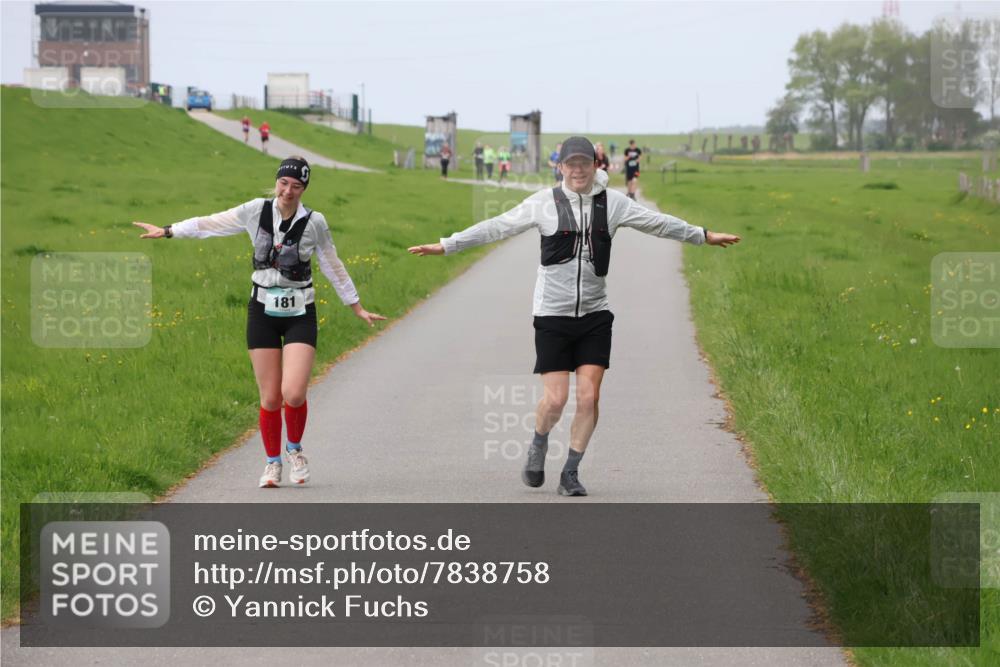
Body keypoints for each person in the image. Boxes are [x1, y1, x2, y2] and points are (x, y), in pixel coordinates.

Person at [407, 137, 740, 497]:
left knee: (589, 396)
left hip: (595, 315)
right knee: (555, 400)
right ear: (560, 167)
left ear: (596, 166)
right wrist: (448, 244)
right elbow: (497, 226)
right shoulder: (542, 203)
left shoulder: (613, 204)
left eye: (585, 163)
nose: (578, 170)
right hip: (552, 315)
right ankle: (539, 442)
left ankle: (571, 472)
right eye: (571, 164)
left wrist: (703, 236)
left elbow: (657, 223)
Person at [132, 156, 386, 488]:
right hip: (262, 310)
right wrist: (167, 231)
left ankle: (294, 450)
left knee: (293, 393)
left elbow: (331, 263)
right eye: (284, 183)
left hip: (300, 311)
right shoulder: (255, 211)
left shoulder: (315, 222)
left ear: (304, 188)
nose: (288, 191)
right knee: (269, 398)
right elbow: (211, 223)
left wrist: (356, 306)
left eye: (296, 186)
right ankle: (272, 463)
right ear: (276, 182)